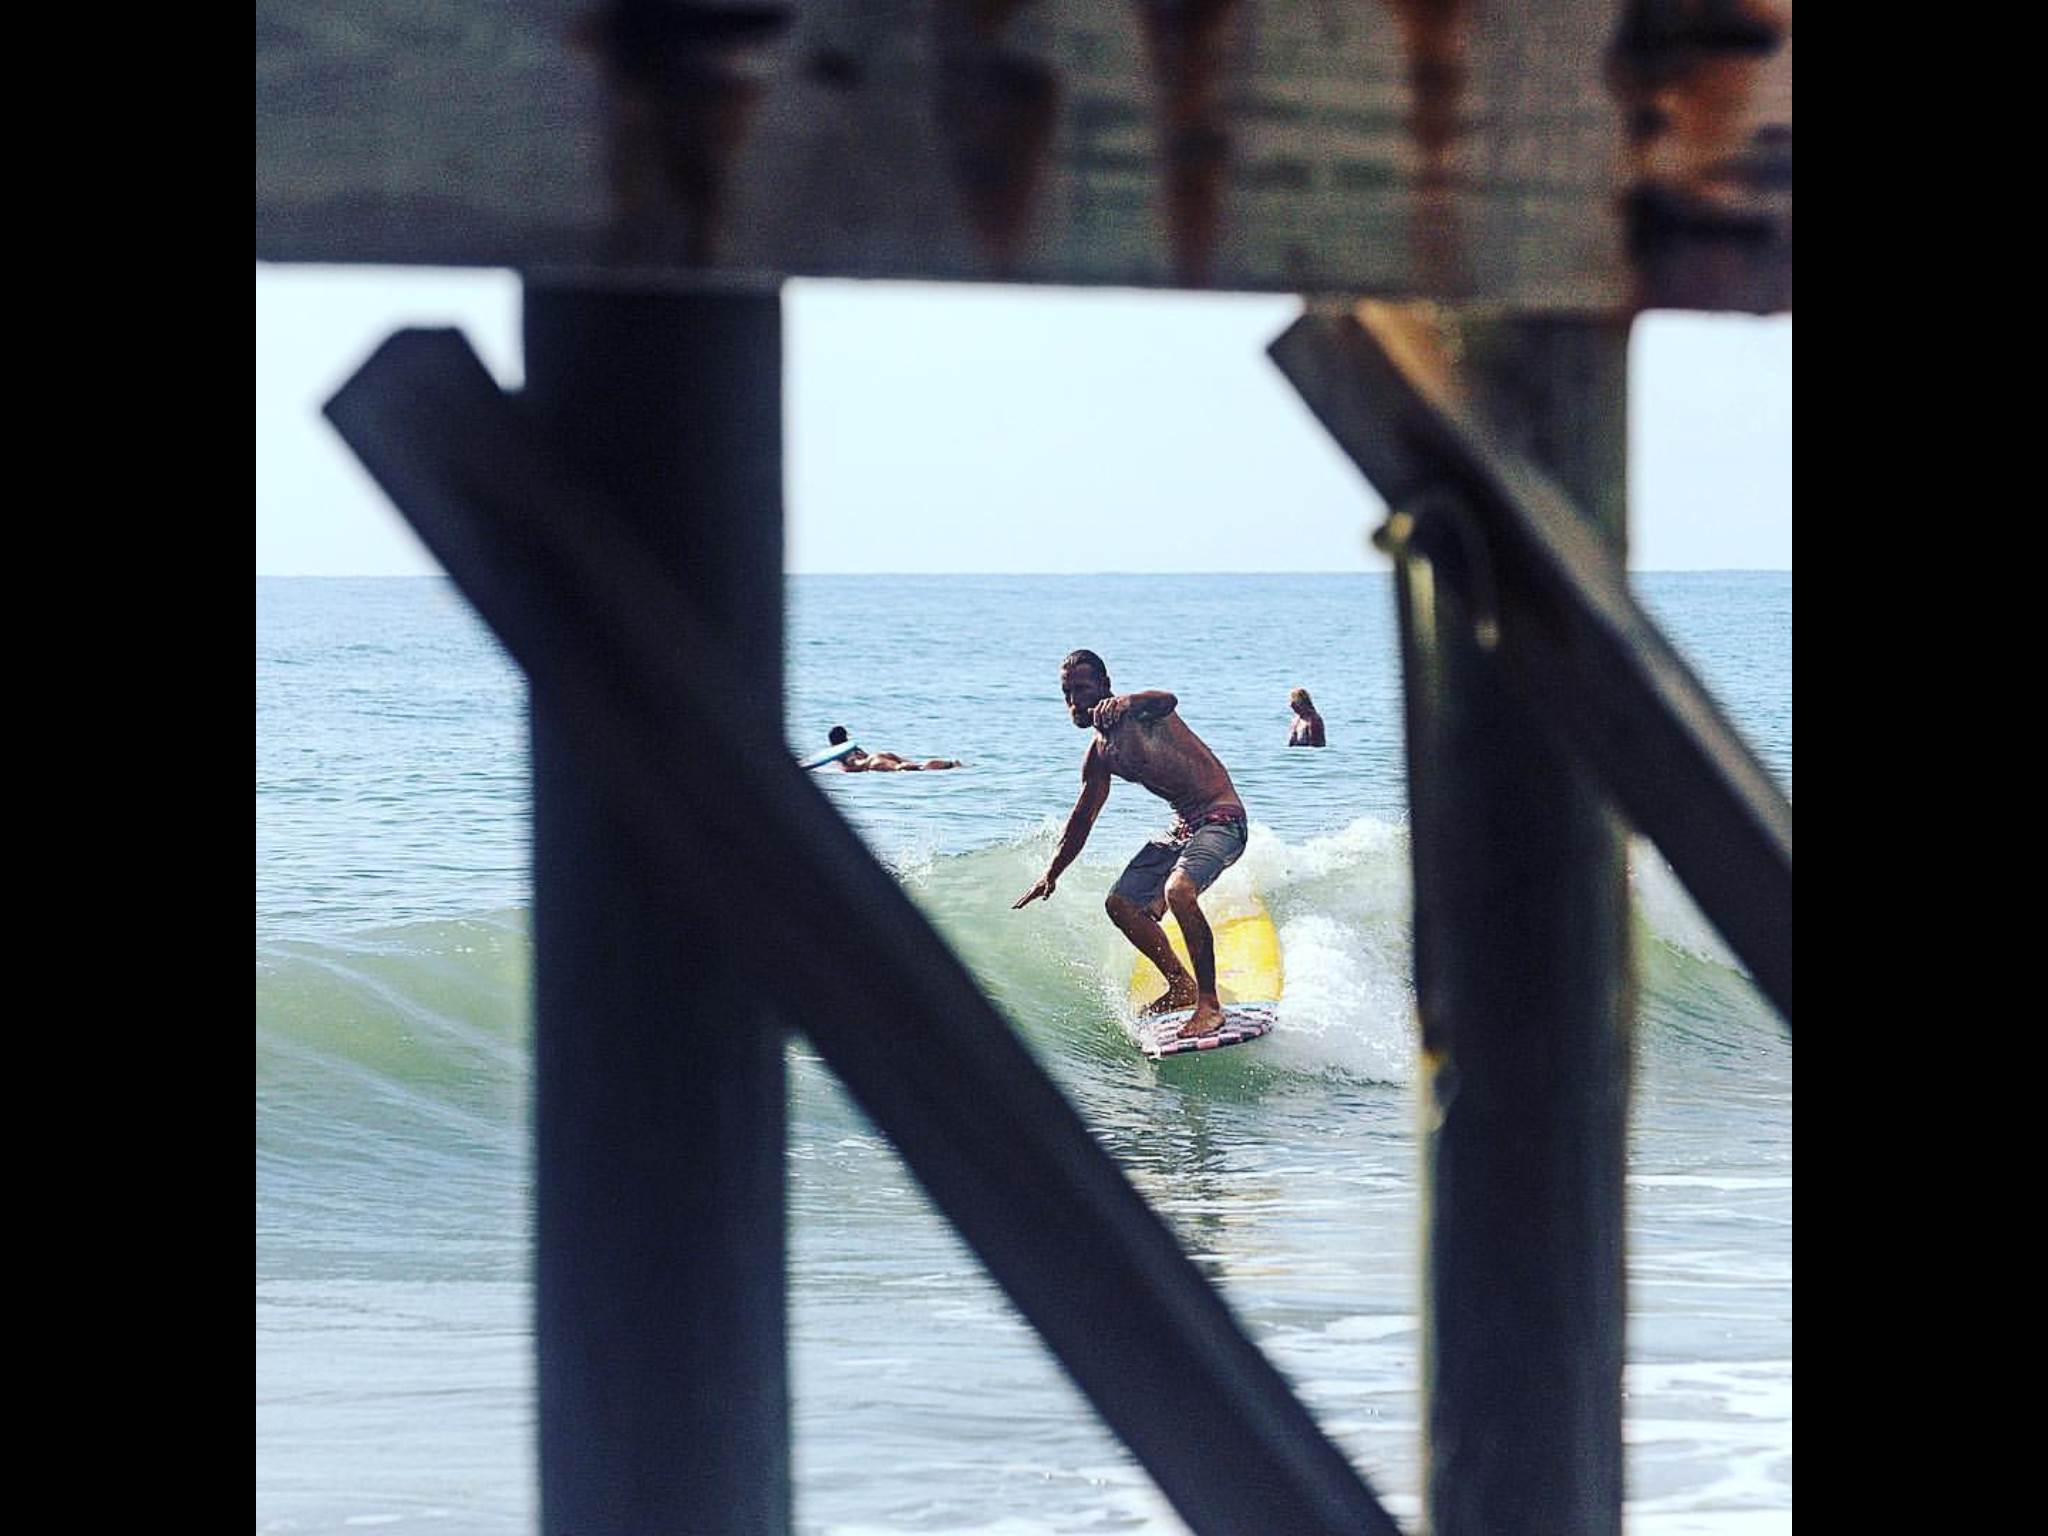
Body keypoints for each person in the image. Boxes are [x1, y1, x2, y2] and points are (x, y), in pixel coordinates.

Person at [1012, 649, 1248, 1039]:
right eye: (1067, 693)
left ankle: (1209, 1006)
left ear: (1104, 685)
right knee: (1121, 904)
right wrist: (1051, 874)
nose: (1074, 701)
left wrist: (1127, 702)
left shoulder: (1140, 712)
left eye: (1082, 689)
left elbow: (1167, 699)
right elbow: (1083, 818)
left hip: (1222, 819)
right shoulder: (1100, 754)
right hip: (1183, 828)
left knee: (1179, 891)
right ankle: (1181, 985)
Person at [826, 725, 962, 772]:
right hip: (879, 755)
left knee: (916, 768)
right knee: (917, 766)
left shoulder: (839, 753)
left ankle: (949, 765)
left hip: (872, 762)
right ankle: (950, 764)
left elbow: (849, 765)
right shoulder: (855, 748)